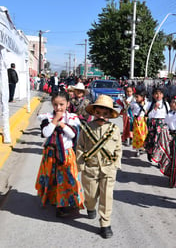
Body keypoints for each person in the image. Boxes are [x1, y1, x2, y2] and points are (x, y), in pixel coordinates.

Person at [76, 95, 122, 239]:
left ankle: (105, 224)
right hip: (91, 168)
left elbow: (118, 149)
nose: (101, 116)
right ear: (93, 112)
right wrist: (81, 165)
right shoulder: (87, 128)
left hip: (108, 169)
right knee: (90, 195)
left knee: (107, 197)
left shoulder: (114, 129)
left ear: (109, 115)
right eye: (98, 113)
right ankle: (90, 207)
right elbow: (80, 147)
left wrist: (116, 165)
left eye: (105, 113)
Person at [35, 91, 84, 218]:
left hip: (66, 154)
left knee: (67, 179)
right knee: (53, 179)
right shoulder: (48, 118)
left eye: (61, 104)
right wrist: (55, 120)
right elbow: (46, 133)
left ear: (68, 104)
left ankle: (64, 204)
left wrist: (61, 124)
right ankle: (57, 203)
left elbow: (73, 134)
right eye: (55, 105)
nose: (58, 108)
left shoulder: (72, 118)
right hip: (50, 154)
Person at [144, 87, 170, 163]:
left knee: (161, 142)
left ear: (163, 95)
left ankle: (160, 159)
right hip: (153, 125)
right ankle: (150, 153)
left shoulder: (166, 104)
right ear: (153, 95)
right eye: (156, 94)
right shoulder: (150, 104)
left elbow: (168, 115)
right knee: (152, 141)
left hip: (162, 125)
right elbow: (149, 115)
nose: (158, 95)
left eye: (160, 94)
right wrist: (154, 108)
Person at [130, 89, 148, 157]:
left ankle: (143, 147)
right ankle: (137, 149)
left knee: (144, 135)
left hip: (143, 121)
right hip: (136, 121)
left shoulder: (147, 103)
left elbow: (147, 111)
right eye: (135, 97)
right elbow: (130, 110)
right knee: (137, 136)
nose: (136, 98)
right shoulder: (133, 104)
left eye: (138, 97)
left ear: (143, 97)